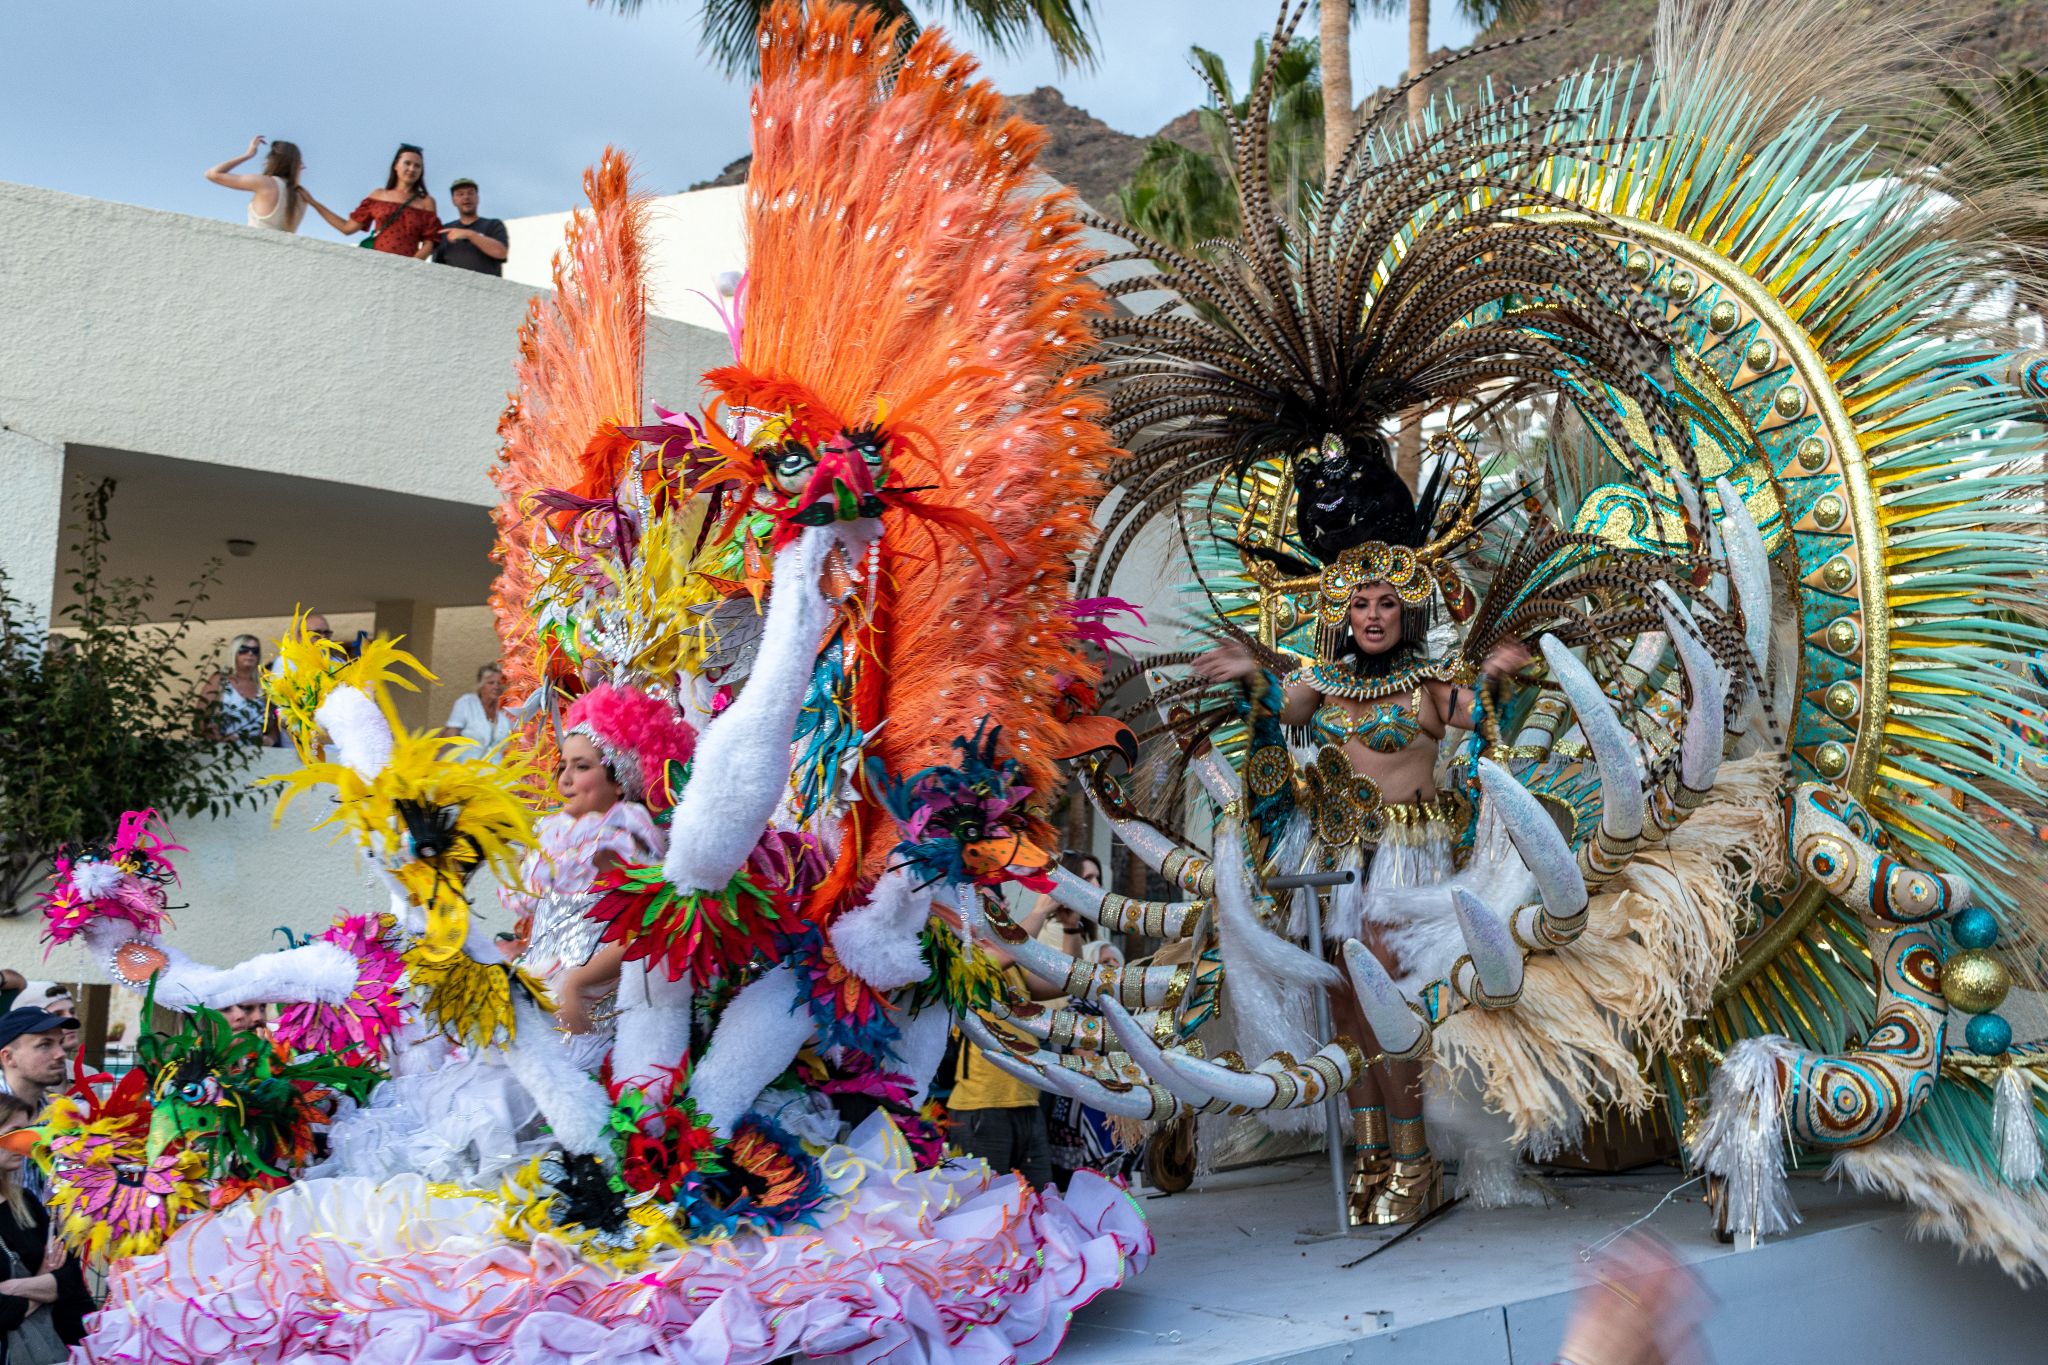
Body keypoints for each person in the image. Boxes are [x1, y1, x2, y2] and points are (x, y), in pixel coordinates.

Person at [1195, 545, 1529, 1227]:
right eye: (1358, 603)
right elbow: (1274, 712)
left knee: (1390, 1006)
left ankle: (1416, 1160)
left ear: (1405, 609)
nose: (1371, 615)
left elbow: (1492, 720)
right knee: (1345, 1007)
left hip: (1409, 864)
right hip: (1338, 859)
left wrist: (1501, 679)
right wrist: (1248, 676)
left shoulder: (1434, 685)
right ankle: (1374, 1149)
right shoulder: (1320, 680)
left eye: (1384, 602)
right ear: (1341, 612)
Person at [948, 893, 1064, 1191]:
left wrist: (1072, 928)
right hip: (982, 1108)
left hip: (1026, 1101)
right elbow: (1007, 952)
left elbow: (1059, 982)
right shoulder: (961, 956)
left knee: (1042, 1204)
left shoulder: (1011, 959)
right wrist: (1040, 910)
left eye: (997, 902)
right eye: (982, 904)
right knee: (985, 1210)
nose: (998, 907)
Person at [0, 1092, 94, 1361]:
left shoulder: (25, 1201)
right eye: (14, 1132)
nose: (27, 1142)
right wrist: (44, 1284)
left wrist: (12, 1288)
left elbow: (71, 1278)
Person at [303, 144, 440, 260]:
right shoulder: (379, 195)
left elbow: (429, 243)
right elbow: (347, 228)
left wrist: (410, 265)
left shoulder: (426, 202)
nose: (412, 169)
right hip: (375, 260)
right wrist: (313, 203)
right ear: (396, 166)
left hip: (407, 265)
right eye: (407, 163)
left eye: (417, 166)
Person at [204, 135, 308, 233]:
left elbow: (212, 174)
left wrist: (248, 154)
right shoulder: (302, 196)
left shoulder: (265, 183)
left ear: (272, 160)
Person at [197, 634, 269, 743]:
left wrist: (270, 739)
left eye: (255, 651)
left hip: (255, 753)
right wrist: (217, 738)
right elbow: (200, 716)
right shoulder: (220, 680)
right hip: (221, 752)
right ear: (234, 652)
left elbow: (275, 719)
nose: (250, 654)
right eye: (244, 649)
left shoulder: (263, 684)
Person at [434, 179, 509, 276]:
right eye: (460, 194)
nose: (466, 197)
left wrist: (470, 234)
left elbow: (501, 252)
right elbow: (436, 269)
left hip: (487, 288)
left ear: (477, 198)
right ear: (453, 200)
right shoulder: (445, 230)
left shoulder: (493, 224)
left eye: (470, 193)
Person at [438, 662, 513, 755]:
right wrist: (434, 758)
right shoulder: (466, 703)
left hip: (497, 768)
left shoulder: (508, 710)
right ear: (481, 685)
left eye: (499, 683)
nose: (496, 686)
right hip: (466, 767)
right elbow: (450, 734)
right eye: (491, 683)